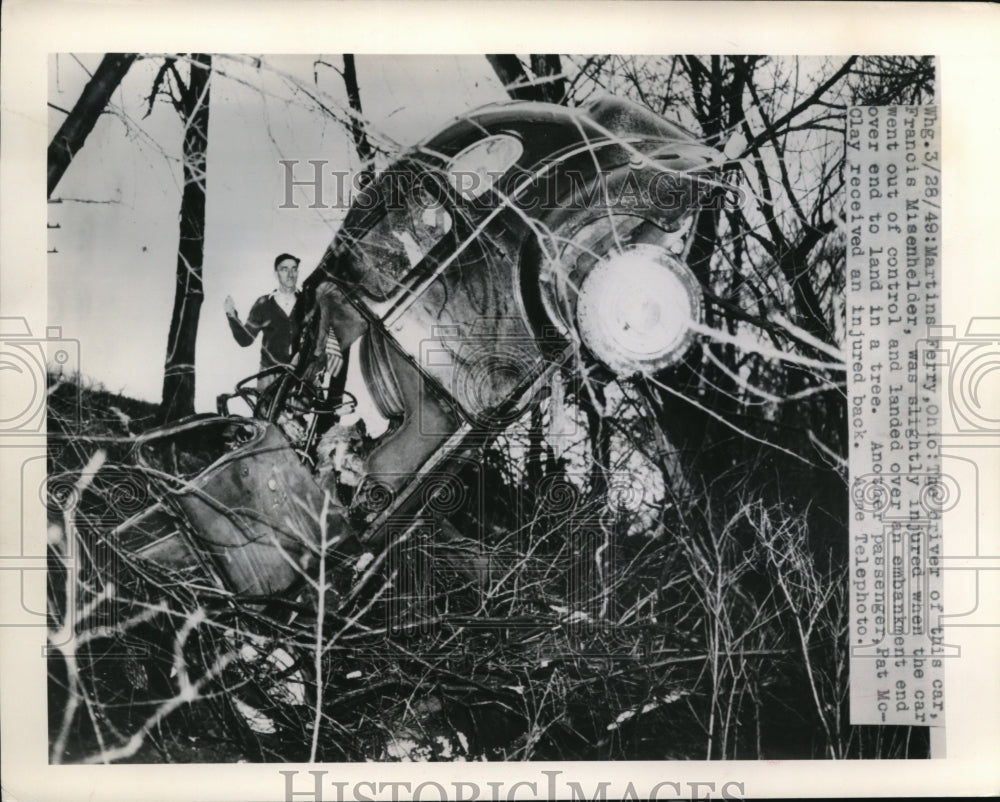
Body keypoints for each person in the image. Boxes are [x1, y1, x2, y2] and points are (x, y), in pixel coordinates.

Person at [224, 253, 304, 393]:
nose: (290, 274)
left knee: (299, 415)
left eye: (294, 269)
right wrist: (231, 315)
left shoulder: (307, 302)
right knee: (265, 414)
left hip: (300, 376)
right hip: (269, 376)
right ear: (276, 274)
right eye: (284, 269)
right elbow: (245, 340)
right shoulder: (264, 304)